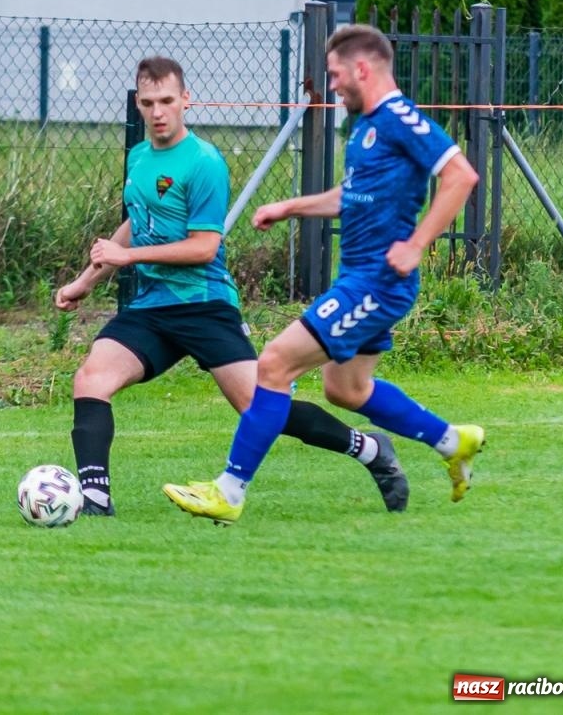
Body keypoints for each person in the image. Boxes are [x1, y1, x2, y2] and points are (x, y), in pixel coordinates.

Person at [55, 56, 407, 518]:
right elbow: (136, 222)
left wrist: (129, 258)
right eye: (148, 103)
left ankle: (370, 449)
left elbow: (204, 247)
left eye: (167, 101)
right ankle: (95, 498)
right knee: (91, 379)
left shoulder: (204, 162)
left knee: (260, 406)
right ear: (138, 103)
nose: (158, 112)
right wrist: (86, 280)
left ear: (186, 100)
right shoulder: (139, 157)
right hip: (152, 307)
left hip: (205, 306)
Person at [164, 26, 486, 524]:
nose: (331, 86)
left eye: (335, 75)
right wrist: (291, 207)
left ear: (362, 68)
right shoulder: (366, 126)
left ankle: (229, 491)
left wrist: (417, 243)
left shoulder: (400, 118)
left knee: (274, 364)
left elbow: (461, 175)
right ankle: (451, 441)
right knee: (346, 390)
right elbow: (350, 197)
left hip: (376, 281)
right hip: (362, 278)